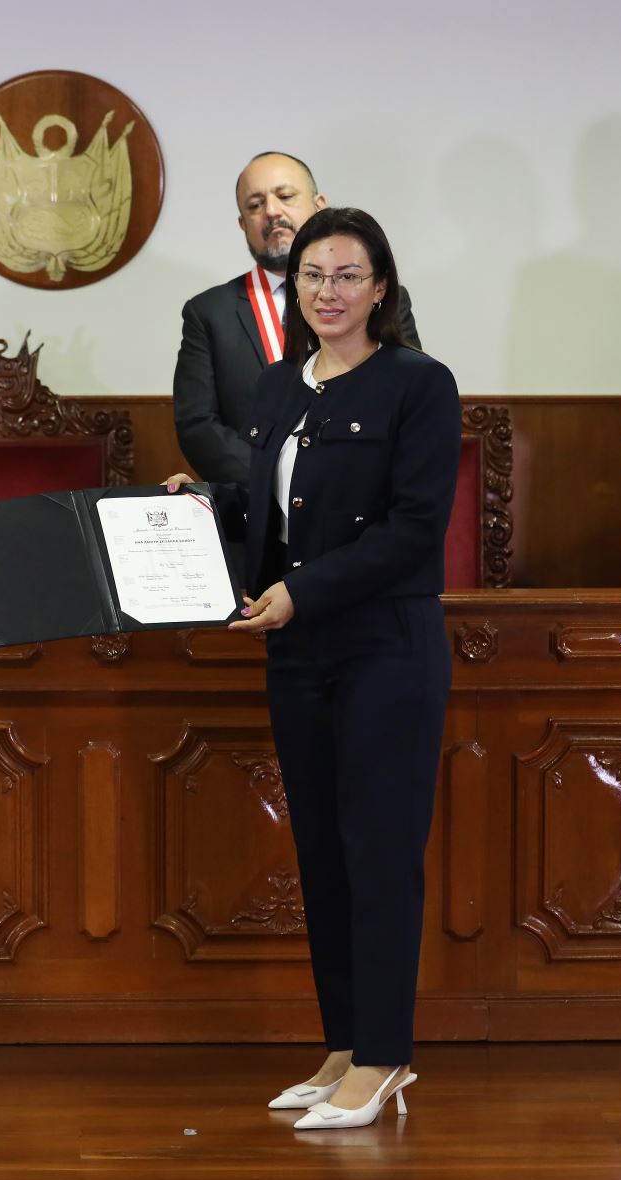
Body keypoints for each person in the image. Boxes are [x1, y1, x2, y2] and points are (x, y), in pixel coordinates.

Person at [167, 207, 459, 1130]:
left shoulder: (420, 383)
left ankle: (384, 1058)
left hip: (385, 649)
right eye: (311, 277)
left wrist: (305, 592)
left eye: (346, 275)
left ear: (382, 288)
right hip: (296, 653)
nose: (327, 293)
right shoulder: (280, 386)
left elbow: (415, 533)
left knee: (379, 858)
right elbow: (278, 515)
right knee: (323, 858)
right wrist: (206, 504)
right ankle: (342, 1045)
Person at [172, 152, 421, 483]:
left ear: (319, 205)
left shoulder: (374, 298)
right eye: (255, 205)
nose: (272, 212)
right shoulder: (208, 313)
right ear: (243, 224)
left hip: (361, 501)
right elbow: (198, 425)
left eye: (286, 196)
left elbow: (407, 403)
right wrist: (279, 483)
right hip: (255, 512)